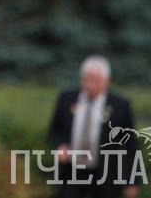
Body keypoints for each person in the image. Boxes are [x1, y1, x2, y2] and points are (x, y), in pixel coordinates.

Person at [48, 56, 138, 198]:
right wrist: (60, 145)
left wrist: (132, 180)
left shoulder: (120, 105)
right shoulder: (67, 99)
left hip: (105, 176)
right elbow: (54, 130)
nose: (90, 85)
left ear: (107, 81)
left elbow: (131, 145)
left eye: (96, 81)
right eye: (87, 80)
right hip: (71, 173)